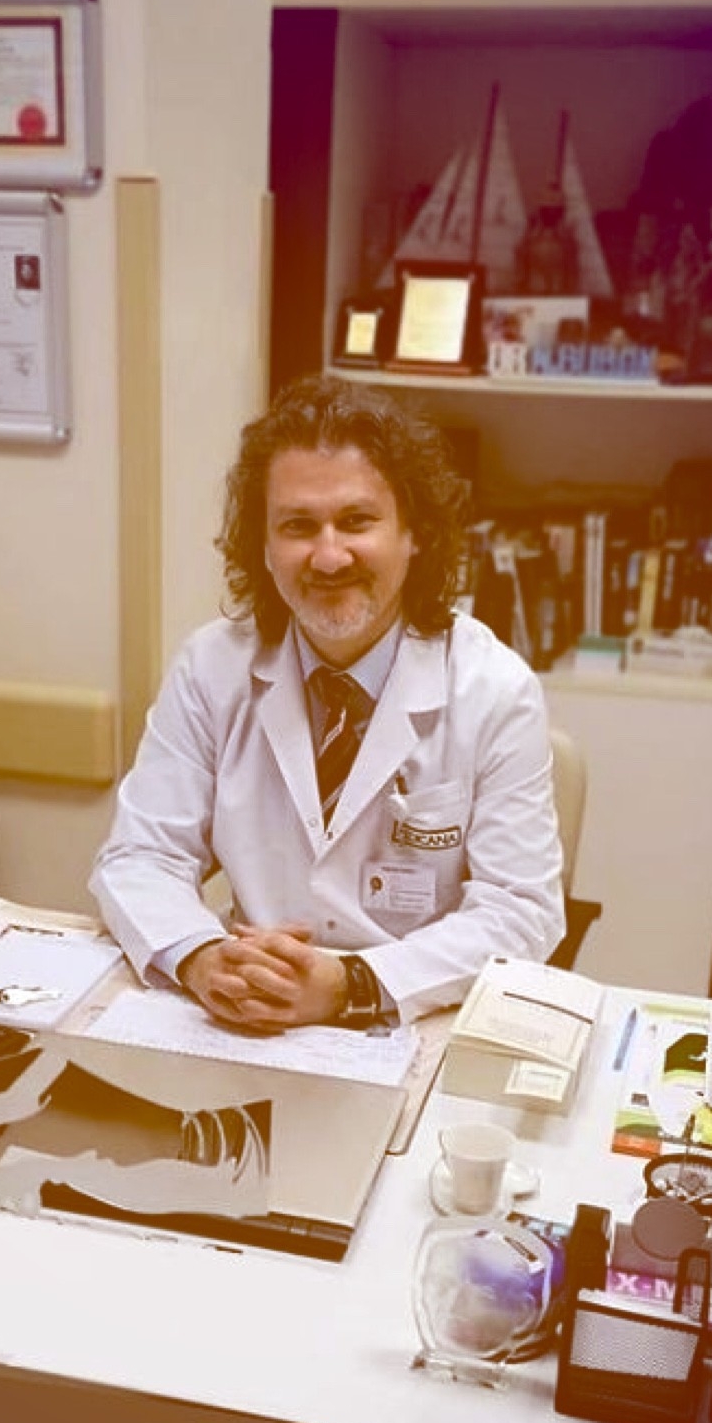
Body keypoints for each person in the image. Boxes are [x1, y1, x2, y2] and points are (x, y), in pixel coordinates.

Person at [89, 372, 565, 1032]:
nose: (329, 556)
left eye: (357, 521)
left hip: (407, 1014)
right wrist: (201, 959)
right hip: (243, 1015)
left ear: (415, 534)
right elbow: (141, 856)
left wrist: (352, 984)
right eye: (298, 526)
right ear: (263, 547)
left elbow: (521, 910)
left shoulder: (494, 690)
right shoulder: (212, 667)